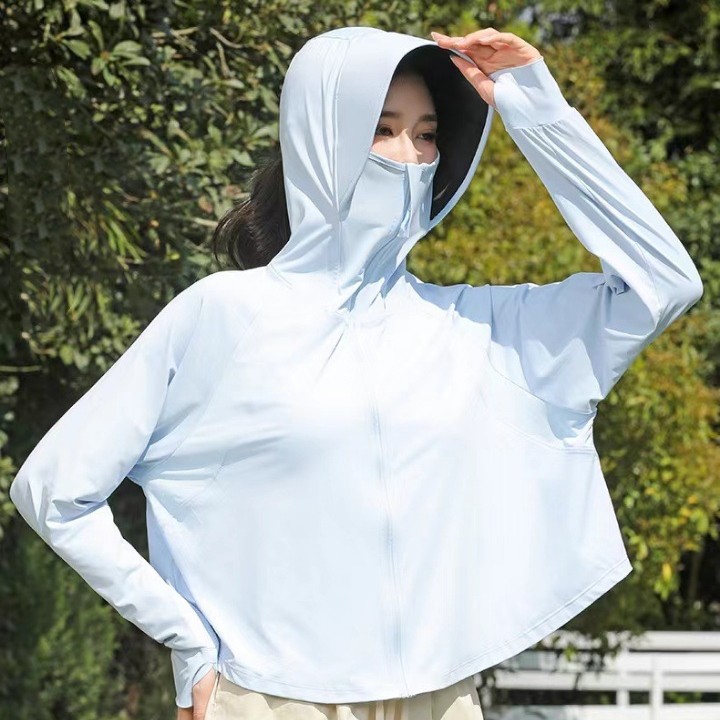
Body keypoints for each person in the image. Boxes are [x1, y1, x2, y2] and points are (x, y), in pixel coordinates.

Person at [9, 24, 703, 720]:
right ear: (322, 140)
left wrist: (534, 106)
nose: (412, 157)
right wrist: (184, 636)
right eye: (383, 130)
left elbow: (662, 285)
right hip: (270, 699)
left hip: (439, 696)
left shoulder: (475, 329)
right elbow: (54, 491)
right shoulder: (224, 316)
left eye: (428, 135)